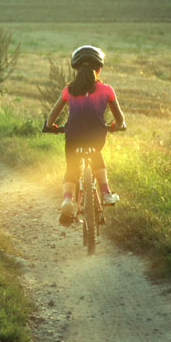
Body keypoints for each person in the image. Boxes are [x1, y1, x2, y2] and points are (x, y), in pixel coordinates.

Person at [42, 45, 126, 227]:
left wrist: (50, 126)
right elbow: (119, 119)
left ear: (76, 69)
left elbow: (51, 117)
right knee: (96, 154)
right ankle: (105, 192)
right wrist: (118, 126)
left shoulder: (69, 90)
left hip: (73, 136)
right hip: (96, 136)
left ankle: (67, 200)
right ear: (99, 68)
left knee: (72, 167)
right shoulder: (107, 90)